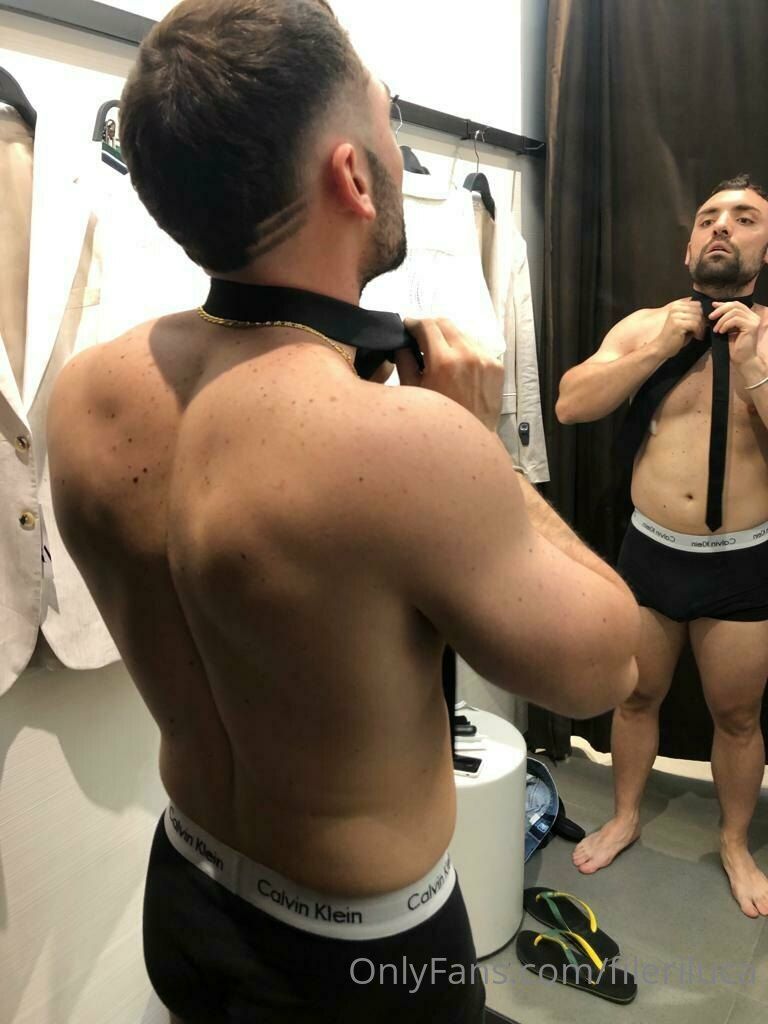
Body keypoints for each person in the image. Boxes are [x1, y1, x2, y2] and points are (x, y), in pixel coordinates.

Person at [46, 2, 640, 1020]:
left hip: (184, 893)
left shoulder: (84, 396)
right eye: (388, 117)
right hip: (362, 961)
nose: (399, 148)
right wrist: (484, 446)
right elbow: (608, 667)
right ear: (353, 177)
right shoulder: (405, 444)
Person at [556, 174, 768, 919]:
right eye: (708, 217)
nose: (722, 227)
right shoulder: (647, 326)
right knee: (637, 695)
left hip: (743, 563)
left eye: (744, 219)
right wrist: (657, 349)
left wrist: (755, 366)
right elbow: (570, 403)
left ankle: (735, 843)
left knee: (738, 718)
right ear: (688, 248)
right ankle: (625, 816)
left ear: (765, 248)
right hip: (650, 553)